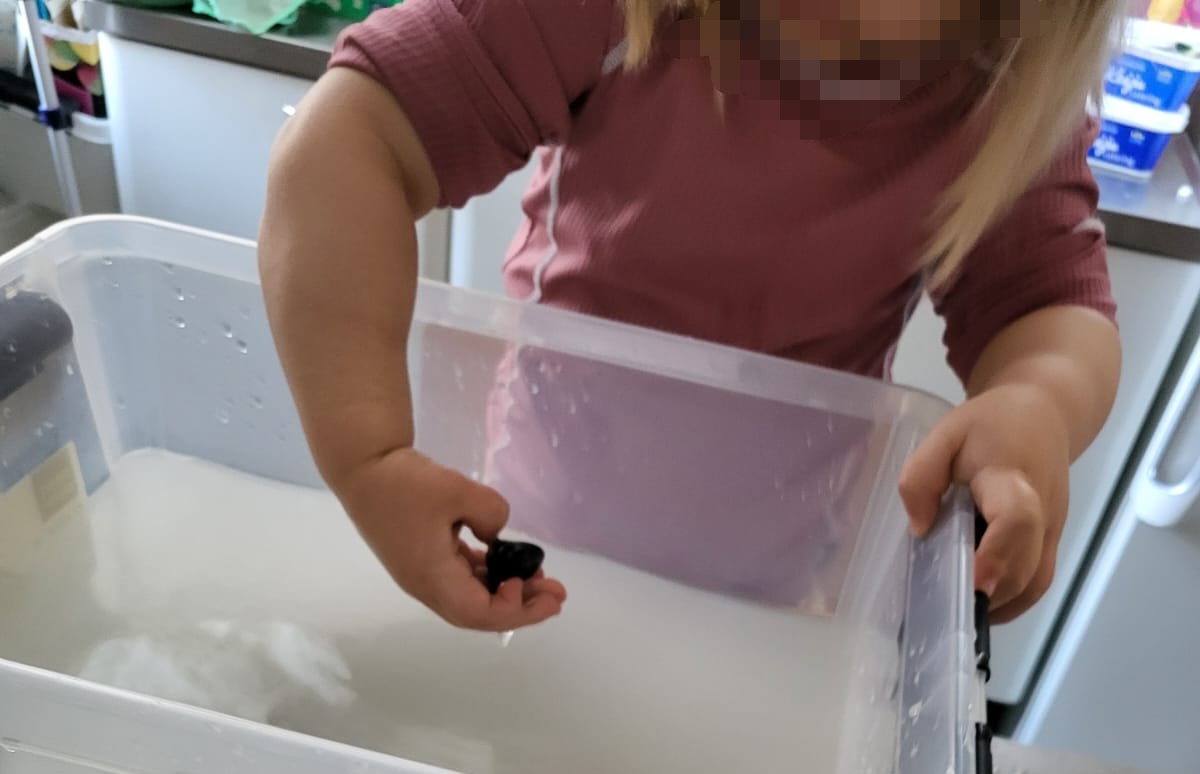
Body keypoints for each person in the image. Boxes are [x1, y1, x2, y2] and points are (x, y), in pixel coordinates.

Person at [259, 0, 1123, 633]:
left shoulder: (1008, 100)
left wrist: (1036, 402)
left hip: (776, 587)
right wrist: (368, 458)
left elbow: (1049, 306)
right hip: (540, 526)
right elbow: (349, 143)